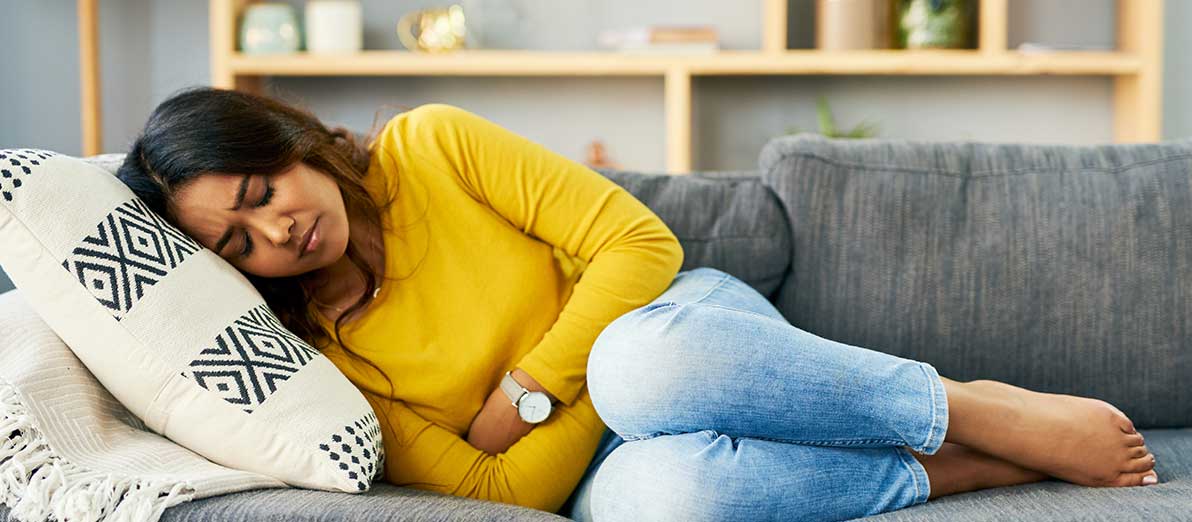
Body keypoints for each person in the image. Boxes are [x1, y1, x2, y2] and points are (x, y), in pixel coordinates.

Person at [115, 86, 1159, 522]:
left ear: (283, 143)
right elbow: (507, 495)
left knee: (635, 367)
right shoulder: (326, 362)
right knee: (665, 504)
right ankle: (955, 467)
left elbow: (638, 246)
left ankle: (968, 408)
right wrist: (566, 416)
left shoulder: (429, 145)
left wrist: (526, 389)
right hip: (607, 462)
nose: (276, 234)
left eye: (261, 195)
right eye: (235, 244)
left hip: (681, 337)